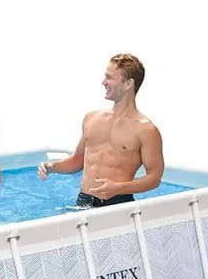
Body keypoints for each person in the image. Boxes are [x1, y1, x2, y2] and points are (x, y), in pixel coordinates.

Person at [37, 53, 163, 207]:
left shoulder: (146, 130)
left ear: (128, 84)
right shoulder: (91, 118)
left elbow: (154, 178)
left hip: (117, 204)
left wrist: (118, 188)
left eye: (109, 78)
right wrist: (52, 167)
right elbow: (78, 160)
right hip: (83, 201)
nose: (104, 82)